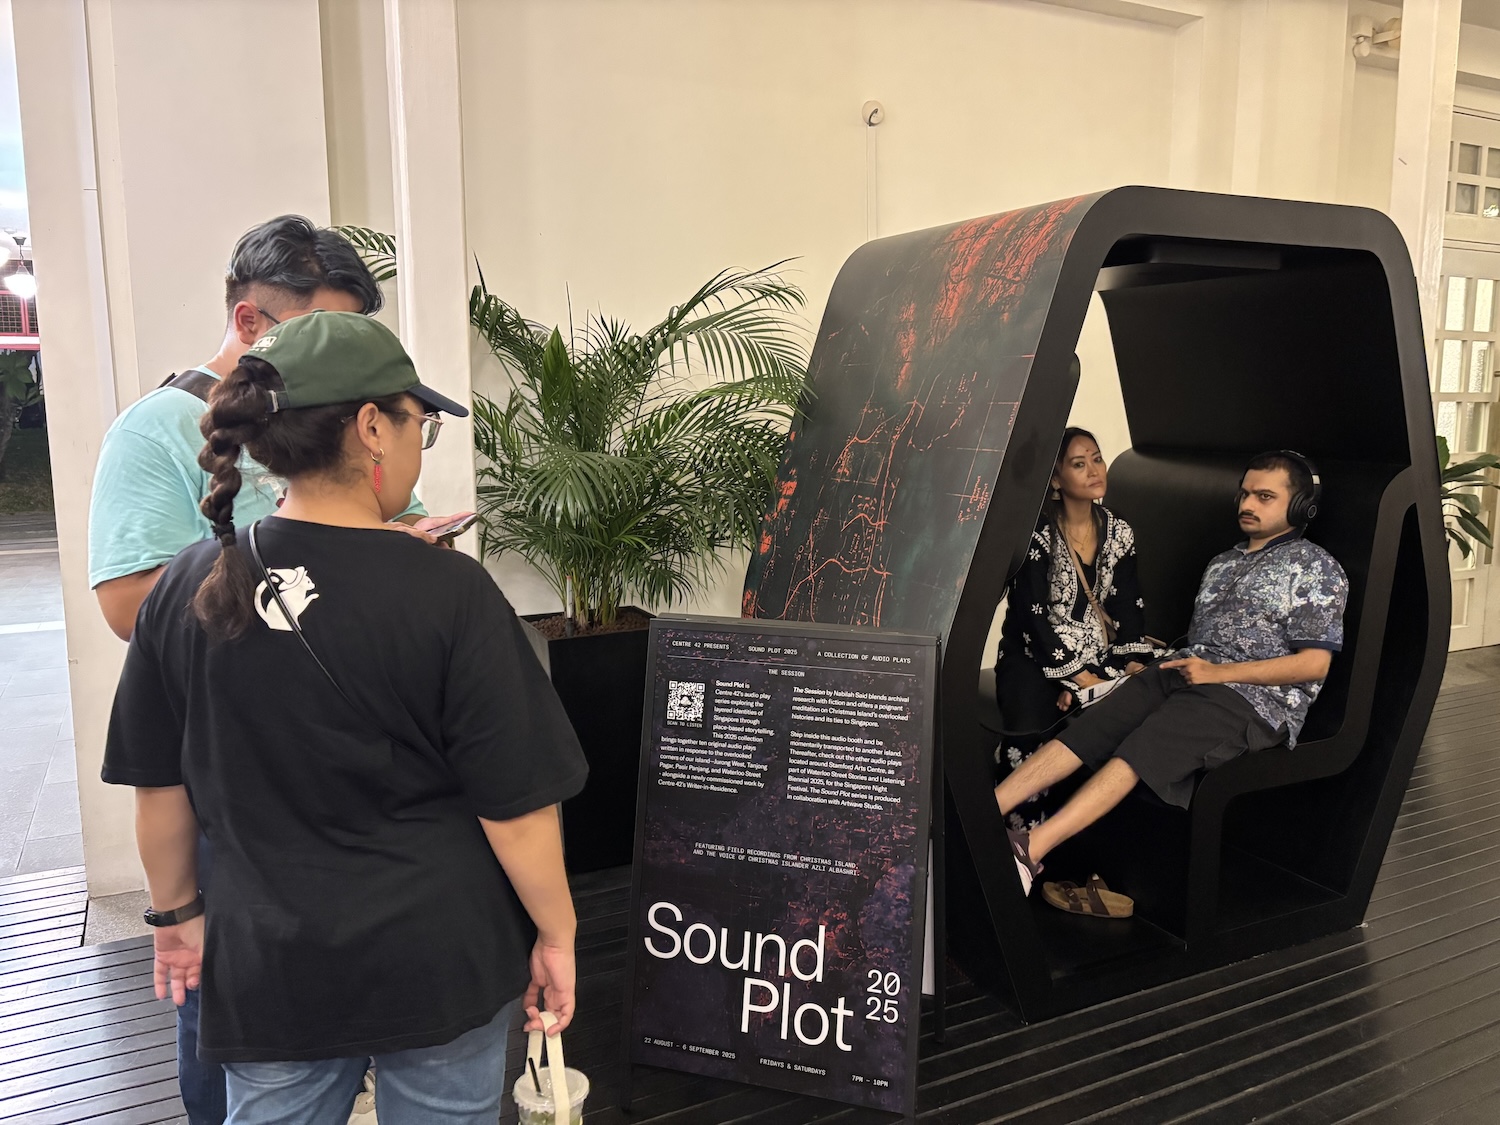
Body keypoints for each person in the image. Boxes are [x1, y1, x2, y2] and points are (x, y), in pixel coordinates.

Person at [102, 311, 588, 1124]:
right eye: (418, 423)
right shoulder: (449, 592)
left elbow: (160, 787)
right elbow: (515, 805)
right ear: (371, 427)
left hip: (270, 961)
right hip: (441, 953)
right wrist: (558, 933)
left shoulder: (190, 583)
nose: (415, 443)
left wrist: (178, 917)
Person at [87, 216, 466, 1124]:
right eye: (319, 332)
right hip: (237, 778)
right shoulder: (157, 432)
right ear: (254, 325)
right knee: (231, 1027)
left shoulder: (349, 416)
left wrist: (396, 550)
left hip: (364, 774)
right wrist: (295, 571)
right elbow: (127, 604)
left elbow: (387, 515)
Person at [995, 450, 1347, 896]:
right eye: (1245, 494)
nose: (1248, 504)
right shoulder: (1222, 563)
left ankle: (1030, 850)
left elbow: (1313, 664)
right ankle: (981, 817)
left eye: (1264, 496)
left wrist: (1219, 674)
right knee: (1094, 726)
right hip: (1188, 674)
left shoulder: (1316, 567)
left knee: (1143, 745)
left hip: (1254, 702)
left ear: (1299, 507)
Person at [993, 427, 1159, 831]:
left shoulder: (1119, 531)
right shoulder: (1038, 534)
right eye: (1078, 464)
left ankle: (1078, 852)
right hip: (1031, 655)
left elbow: (1127, 605)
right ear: (1055, 479)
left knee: (1134, 710)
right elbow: (1031, 618)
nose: (1094, 470)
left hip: (1095, 654)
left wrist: (1133, 662)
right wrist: (1075, 676)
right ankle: (1016, 840)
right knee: (1031, 727)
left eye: (1097, 459)